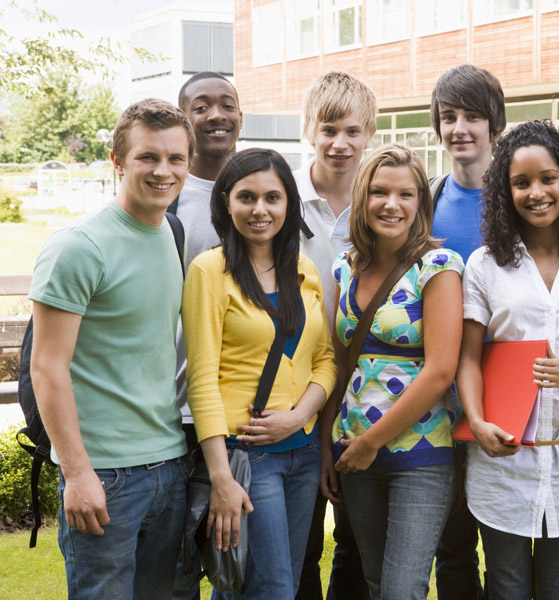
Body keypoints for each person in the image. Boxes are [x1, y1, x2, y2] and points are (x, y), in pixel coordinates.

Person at [28, 98, 194, 599]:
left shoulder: (171, 231)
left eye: (175, 159)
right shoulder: (79, 247)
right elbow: (47, 367)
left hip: (170, 463)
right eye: (148, 157)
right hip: (105, 476)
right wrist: (77, 473)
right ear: (117, 161)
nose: (163, 171)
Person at [458, 119, 559, 600]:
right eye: (521, 182)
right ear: (504, 191)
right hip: (504, 460)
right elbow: (469, 360)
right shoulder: (486, 265)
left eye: (547, 179)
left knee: (558, 589)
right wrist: (476, 420)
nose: (536, 192)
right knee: (506, 588)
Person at [182, 148, 338, 599]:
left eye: (273, 197)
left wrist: (298, 414)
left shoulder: (303, 270)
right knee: (269, 588)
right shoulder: (210, 270)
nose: (260, 210)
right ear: (226, 202)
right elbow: (203, 379)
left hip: (303, 452)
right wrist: (220, 478)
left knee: (262, 584)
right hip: (248, 458)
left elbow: (325, 359)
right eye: (246, 197)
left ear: (288, 203)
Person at [318, 143, 463, 600]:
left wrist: (370, 442)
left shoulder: (438, 267)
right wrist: (330, 445)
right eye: (379, 192)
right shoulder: (345, 269)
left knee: (403, 588)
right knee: (376, 581)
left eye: (405, 194)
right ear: (362, 198)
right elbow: (340, 366)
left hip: (419, 453)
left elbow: (441, 372)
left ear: (421, 202)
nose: (391, 204)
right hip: (352, 448)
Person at [294, 71, 377, 600]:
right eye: (329, 130)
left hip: (361, 390)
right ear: (309, 131)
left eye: (352, 131)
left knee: (358, 540)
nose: (340, 143)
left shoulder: (382, 202)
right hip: (293, 389)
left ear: (369, 133)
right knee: (299, 540)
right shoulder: (281, 196)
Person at [428, 62, 507, 600]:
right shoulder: (426, 200)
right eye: (448, 116)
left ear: (494, 124)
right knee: (451, 545)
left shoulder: (522, 198)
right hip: (438, 400)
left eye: (472, 116)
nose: (459, 128)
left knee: (508, 547)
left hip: (508, 393)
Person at [173, 70, 242, 600]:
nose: (217, 115)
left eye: (227, 104)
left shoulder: (259, 192)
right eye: (202, 106)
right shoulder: (170, 199)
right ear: (185, 119)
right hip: (174, 412)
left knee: (235, 564)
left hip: (244, 412)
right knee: (175, 564)